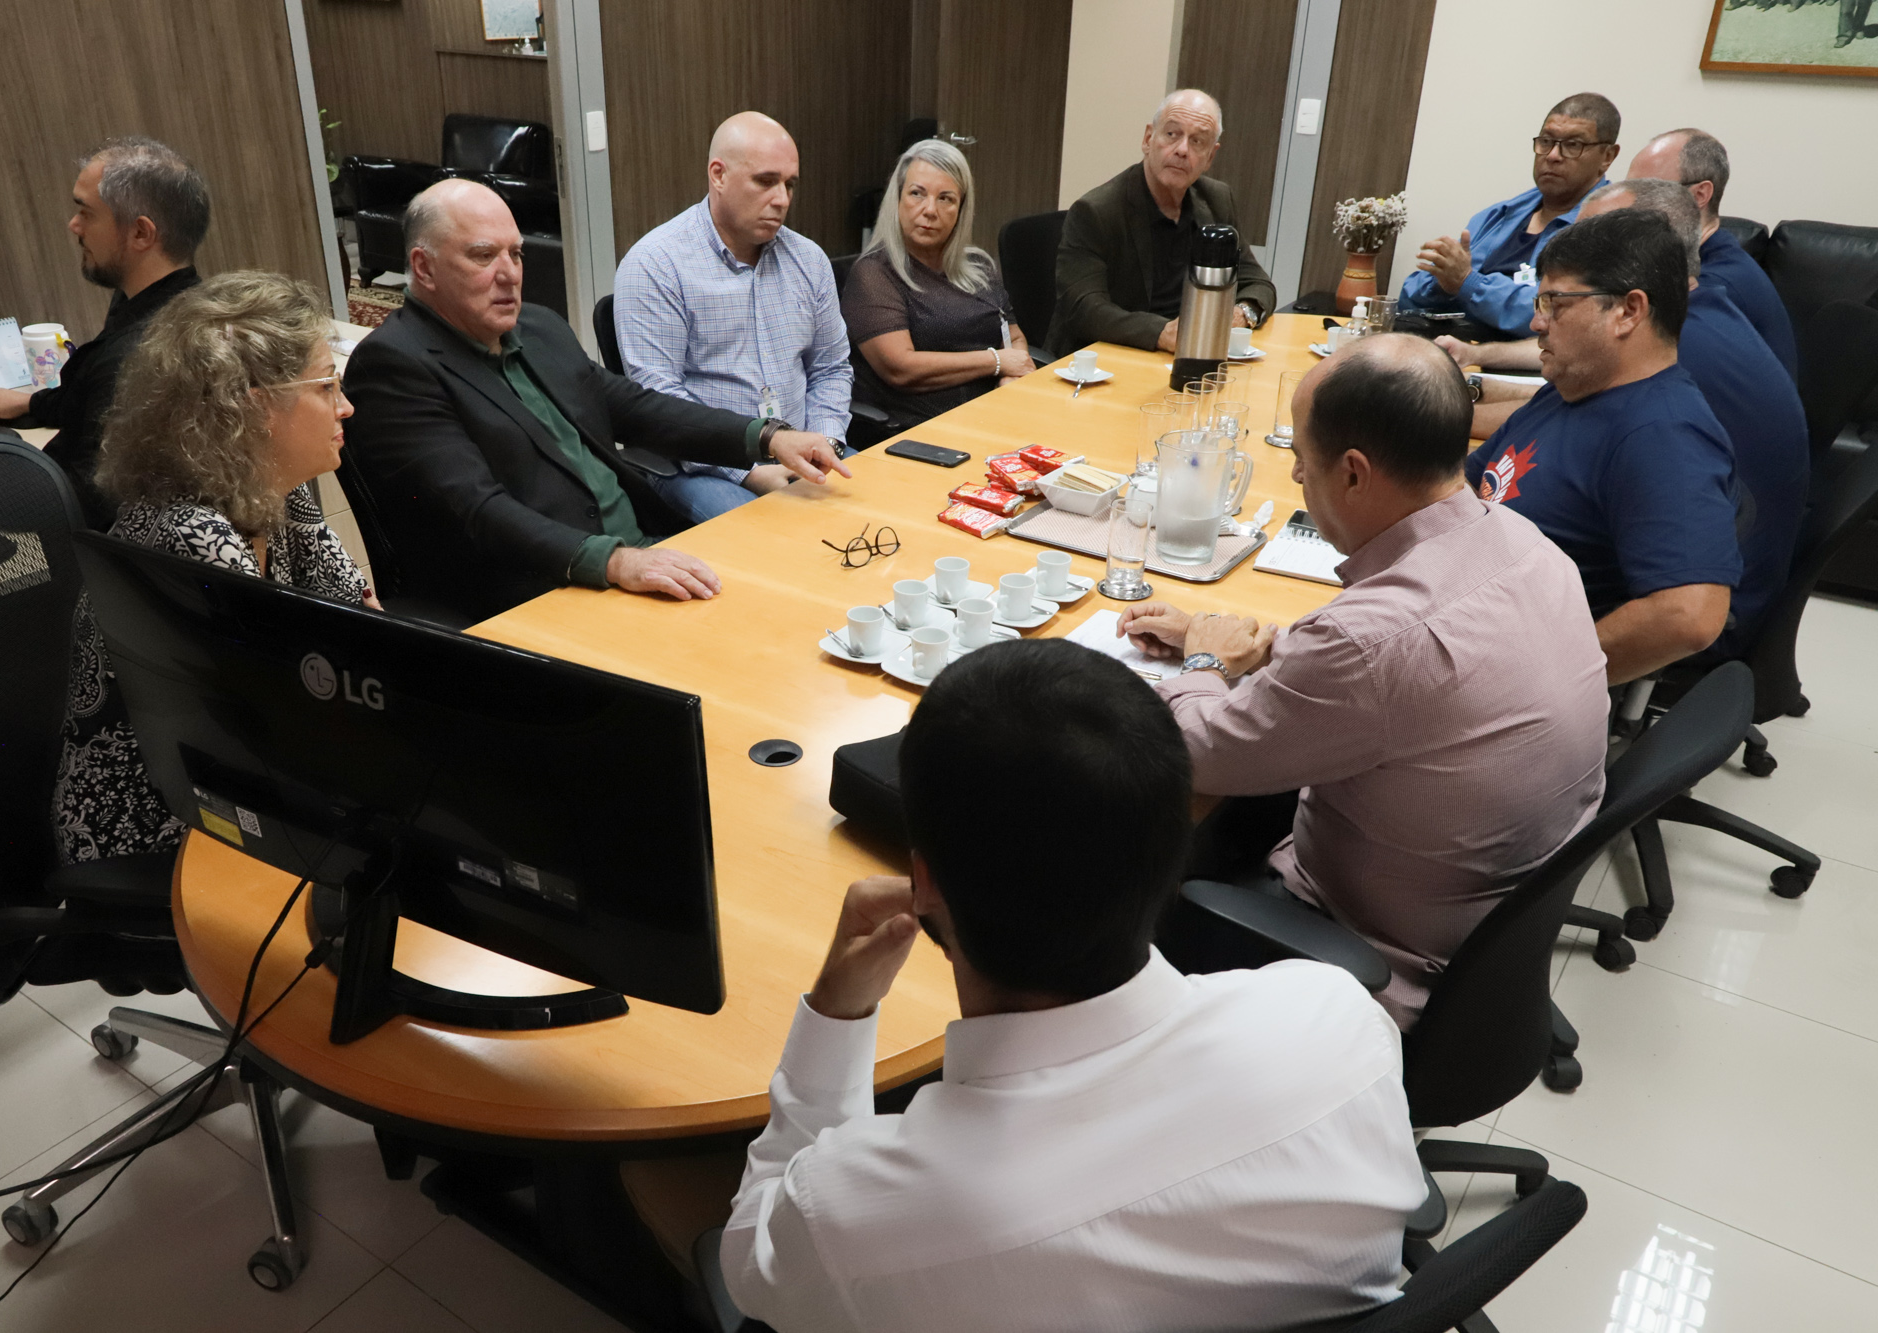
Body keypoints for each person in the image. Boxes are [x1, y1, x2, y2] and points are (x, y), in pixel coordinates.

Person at [720, 638, 1425, 1331]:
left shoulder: (858, 1214)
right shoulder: (1338, 1018)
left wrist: (836, 1020)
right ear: (1172, 840)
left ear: (924, 881)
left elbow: (752, 1268)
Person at [1115, 336, 1608, 1027]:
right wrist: (1255, 645)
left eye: (1300, 460)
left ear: (1353, 473)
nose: (1294, 478)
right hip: (1480, 928)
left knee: (1109, 862)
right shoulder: (1531, 546)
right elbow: (1403, 667)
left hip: (1366, 958)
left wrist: (1202, 660)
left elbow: (1194, 752)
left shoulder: (1367, 641)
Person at [340, 179, 849, 623]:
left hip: (641, 555)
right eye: (482, 255)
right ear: (423, 268)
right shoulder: (393, 366)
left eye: (515, 254)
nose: (509, 273)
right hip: (540, 590)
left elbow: (637, 408)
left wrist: (767, 437)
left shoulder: (538, 327)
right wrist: (616, 562)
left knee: (809, 593)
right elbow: (477, 511)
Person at [55, 272, 373, 862]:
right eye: (326, 386)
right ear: (255, 408)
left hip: (246, 788)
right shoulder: (189, 534)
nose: (346, 406)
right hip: (162, 829)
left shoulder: (279, 491)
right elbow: (278, 724)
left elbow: (360, 623)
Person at [1445, 182, 1805, 663]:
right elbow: (1465, 489)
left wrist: (1550, 676)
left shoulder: (1663, 434)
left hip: (1503, 666)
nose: (1537, 324)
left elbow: (1689, 615)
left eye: (1555, 304)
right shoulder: (1579, 387)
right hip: (1457, 609)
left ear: (1628, 311)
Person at [612, 112, 853, 523]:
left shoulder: (808, 260)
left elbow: (831, 369)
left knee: (882, 512)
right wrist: (752, 469)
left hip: (802, 453)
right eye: (766, 181)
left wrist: (825, 444)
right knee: (770, 539)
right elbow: (660, 402)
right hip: (699, 465)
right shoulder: (656, 265)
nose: (782, 199)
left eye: (789, 184)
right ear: (718, 175)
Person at [0, 137, 209, 528]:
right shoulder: (170, 304)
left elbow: (88, 502)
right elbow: (93, 405)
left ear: (141, 234)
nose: (74, 225)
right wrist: (29, 403)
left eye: (86, 213)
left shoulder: (138, 356)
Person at [1047, 89, 1275, 355]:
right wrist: (1161, 333)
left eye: (1197, 141)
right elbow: (1083, 309)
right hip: (1110, 357)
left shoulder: (1217, 199)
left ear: (1210, 157)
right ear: (1148, 139)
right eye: (1172, 134)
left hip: (1187, 353)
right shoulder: (1097, 211)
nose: (1181, 150)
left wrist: (1241, 313)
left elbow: (1258, 282)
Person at [839, 139, 1035, 430]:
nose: (930, 210)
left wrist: (1009, 377)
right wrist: (995, 362)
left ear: (961, 209)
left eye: (946, 198)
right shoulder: (874, 274)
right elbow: (900, 368)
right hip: (922, 431)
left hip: (995, 415)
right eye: (917, 194)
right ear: (897, 200)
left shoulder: (979, 267)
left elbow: (1014, 339)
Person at [1399, 94, 1620, 339]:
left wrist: (1467, 283)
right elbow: (1409, 296)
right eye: (1546, 141)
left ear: (1607, 156)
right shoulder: (1498, 216)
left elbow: (1556, 313)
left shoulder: (1608, 228)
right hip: (1456, 352)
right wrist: (1444, 285)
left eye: (1573, 145)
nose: (1553, 155)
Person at [1626, 127, 1798, 377]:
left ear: (1699, 195)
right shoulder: (1698, 257)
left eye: (1646, 192)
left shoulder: (1714, 286)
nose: (1628, 207)